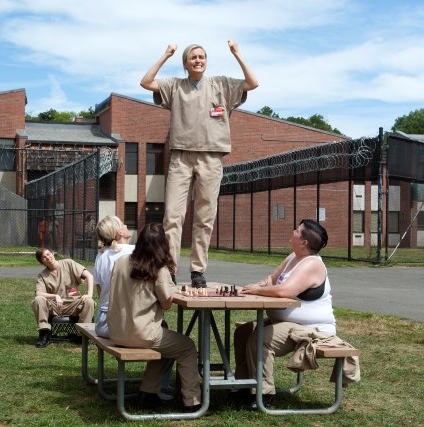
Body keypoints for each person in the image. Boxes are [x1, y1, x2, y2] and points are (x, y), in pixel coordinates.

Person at [140, 41, 258, 288]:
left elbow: (252, 83)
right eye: (192, 57)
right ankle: (171, 269)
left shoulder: (221, 84)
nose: (197, 60)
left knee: (205, 216)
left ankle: (197, 270)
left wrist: (237, 53)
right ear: (185, 63)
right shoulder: (175, 86)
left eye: (201, 56)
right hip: (181, 157)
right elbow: (146, 82)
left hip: (211, 157)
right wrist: (166, 54)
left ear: (206, 61)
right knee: (172, 217)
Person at [233, 219, 336, 409]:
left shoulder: (312, 264)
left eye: (297, 231)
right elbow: (272, 280)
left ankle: (264, 395)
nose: (293, 232)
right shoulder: (293, 257)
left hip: (311, 329)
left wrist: (256, 291)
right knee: (243, 333)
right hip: (286, 323)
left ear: (304, 242)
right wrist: (257, 286)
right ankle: (244, 385)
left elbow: (284, 291)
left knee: (260, 339)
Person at [107, 223, 201, 412]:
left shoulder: (120, 261)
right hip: (141, 334)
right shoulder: (159, 269)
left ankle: (148, 393)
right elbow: (166, 303)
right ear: (162, 245)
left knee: (164, 335)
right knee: (186, 347)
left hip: (116, 331)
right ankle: (192, 401)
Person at [31, 247, 95, 348]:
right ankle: (44, 334)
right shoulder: (42, 275)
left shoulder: (68, 263)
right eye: (44, 257)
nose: (48, 257)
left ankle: (83, 335)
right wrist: (55, 296)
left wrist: (89, 294)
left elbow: (89, 276)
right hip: (55, 306)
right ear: (41, 262)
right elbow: (38, 293)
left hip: (73, 303)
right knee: (38, 300)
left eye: (48, 254)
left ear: (52, 253)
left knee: (89, 302)